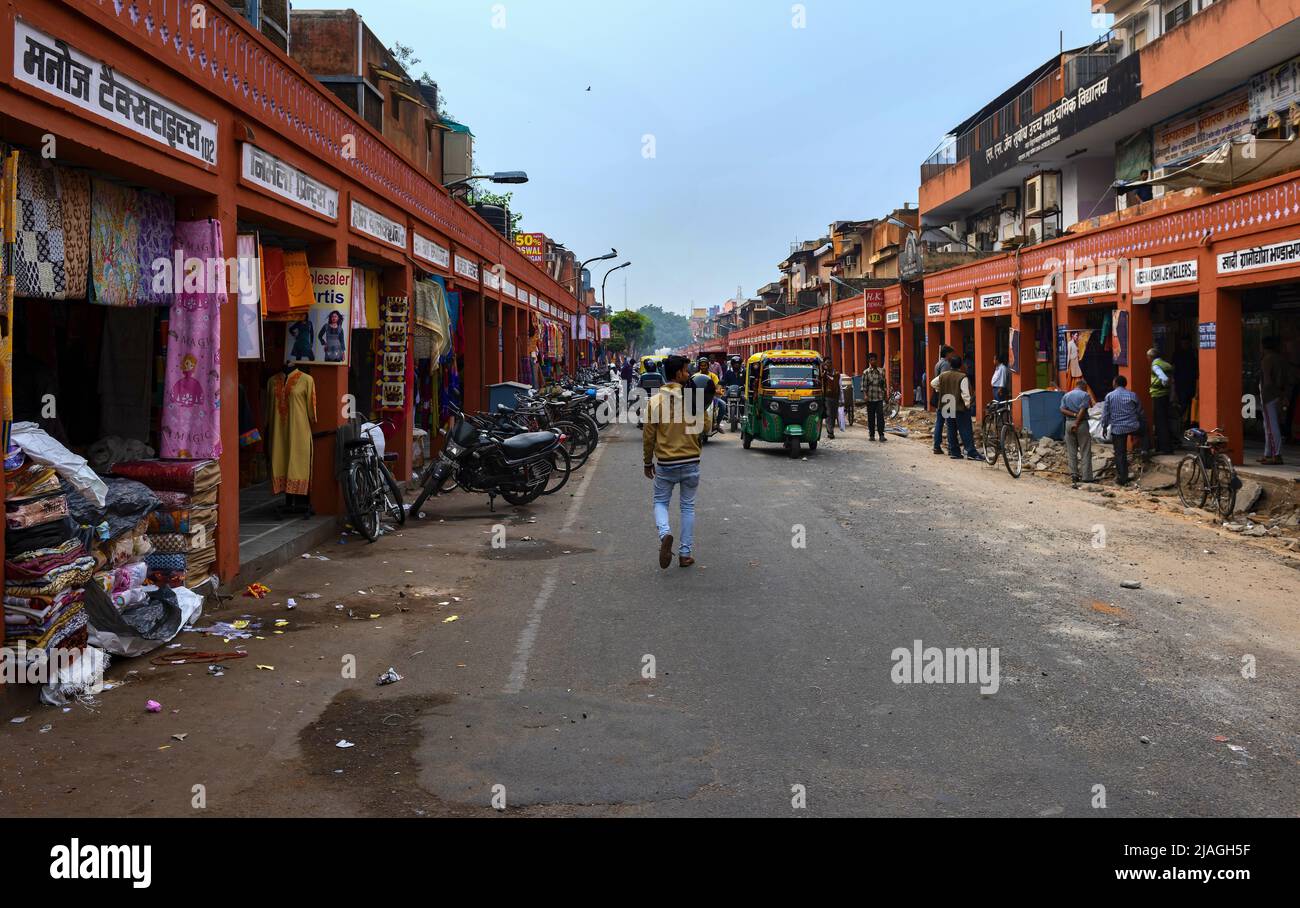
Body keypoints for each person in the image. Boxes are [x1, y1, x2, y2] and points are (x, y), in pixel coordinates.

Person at [643, 355, 709, 569]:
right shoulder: (693, 398)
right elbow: (706, 428)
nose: (689, 374)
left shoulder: (654, 401)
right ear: (679, 373)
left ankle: (665, 534)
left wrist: (647, 462)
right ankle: (684, 553)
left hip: (665, 463)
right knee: (687, 507)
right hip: (691, 461)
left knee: (660, 502)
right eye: (687, 370)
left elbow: (649, 436)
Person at [931, 354, 981, 461]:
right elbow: (965, 394)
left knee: (951, 428)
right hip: (959, 406)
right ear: (961, 365)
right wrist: (968, 406)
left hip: (946, 403)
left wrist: (940, 390)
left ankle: (954, 451)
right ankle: (971, 451)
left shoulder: (943, 375)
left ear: (950, 364)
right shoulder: (962, 377)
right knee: (965, 429)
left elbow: (933, 383)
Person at [1102, 374, 1145, 486]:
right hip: (1133, 426)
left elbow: (1105, 414)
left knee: (1120, 453)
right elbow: (1140, 412)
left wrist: (1104, 427)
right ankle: (1145, 450)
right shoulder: (1132, 395)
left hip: (1118, 429)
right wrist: (1141, 423)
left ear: (1115, 383)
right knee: (1145, 430)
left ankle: (1122, 477)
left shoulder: (1109, 396)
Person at [1060, 378, 1096, 483]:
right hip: (1081, 424)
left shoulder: (1066, 395)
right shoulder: (1085, 395)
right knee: (1085, 450)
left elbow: (1062, 409)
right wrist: (1077, 422)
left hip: (1068, 424)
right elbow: (1083, 409)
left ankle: (1074, 475)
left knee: (1071, 451)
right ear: (1084, 386)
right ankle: (1087, 477)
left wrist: (1073, 416)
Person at [1259, 335, 1287, 465]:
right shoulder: (1279, 358)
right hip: (1277, 394)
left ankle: (1276, 454)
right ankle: (1268, 453)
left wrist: (1264, 395)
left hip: (1269, 396)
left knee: (1271, 425)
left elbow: (1268, 381)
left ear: (1263, 346)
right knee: (1269, 425)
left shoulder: (1267, 359)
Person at [1148, 346, 1176, 454]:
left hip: (1158, 395)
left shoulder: (1155, 365)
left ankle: (1164, 448)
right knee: (1165, 420)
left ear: (1151, 357)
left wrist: (1163, 384)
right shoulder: (1166, 364)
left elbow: (1164, 378)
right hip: (1166, 395)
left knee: (1160, 422)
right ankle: (1166, 446)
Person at [932, 344, 955, 455]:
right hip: (946, 396)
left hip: (940, 396)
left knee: (940, 421)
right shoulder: (945, 364)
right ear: (947, 354)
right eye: (951, 353)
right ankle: (951, 447)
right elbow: (945, 380)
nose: (952, 356)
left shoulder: (938, 363)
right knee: (949, 423)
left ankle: (937, 446)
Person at [862, 352, 888, 442]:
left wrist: (886, 396)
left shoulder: (882, 371)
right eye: (871, 360)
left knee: (880, 416)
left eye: (875, 359)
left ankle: (881, 435)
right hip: (870, 398)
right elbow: (863, 386)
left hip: (879, 397)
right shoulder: (866, 372)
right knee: (871, 417)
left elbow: (884, 385)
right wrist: (865, 395)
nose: (873, 361)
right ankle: (872, 434)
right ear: (869, 361)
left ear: (877, 360)